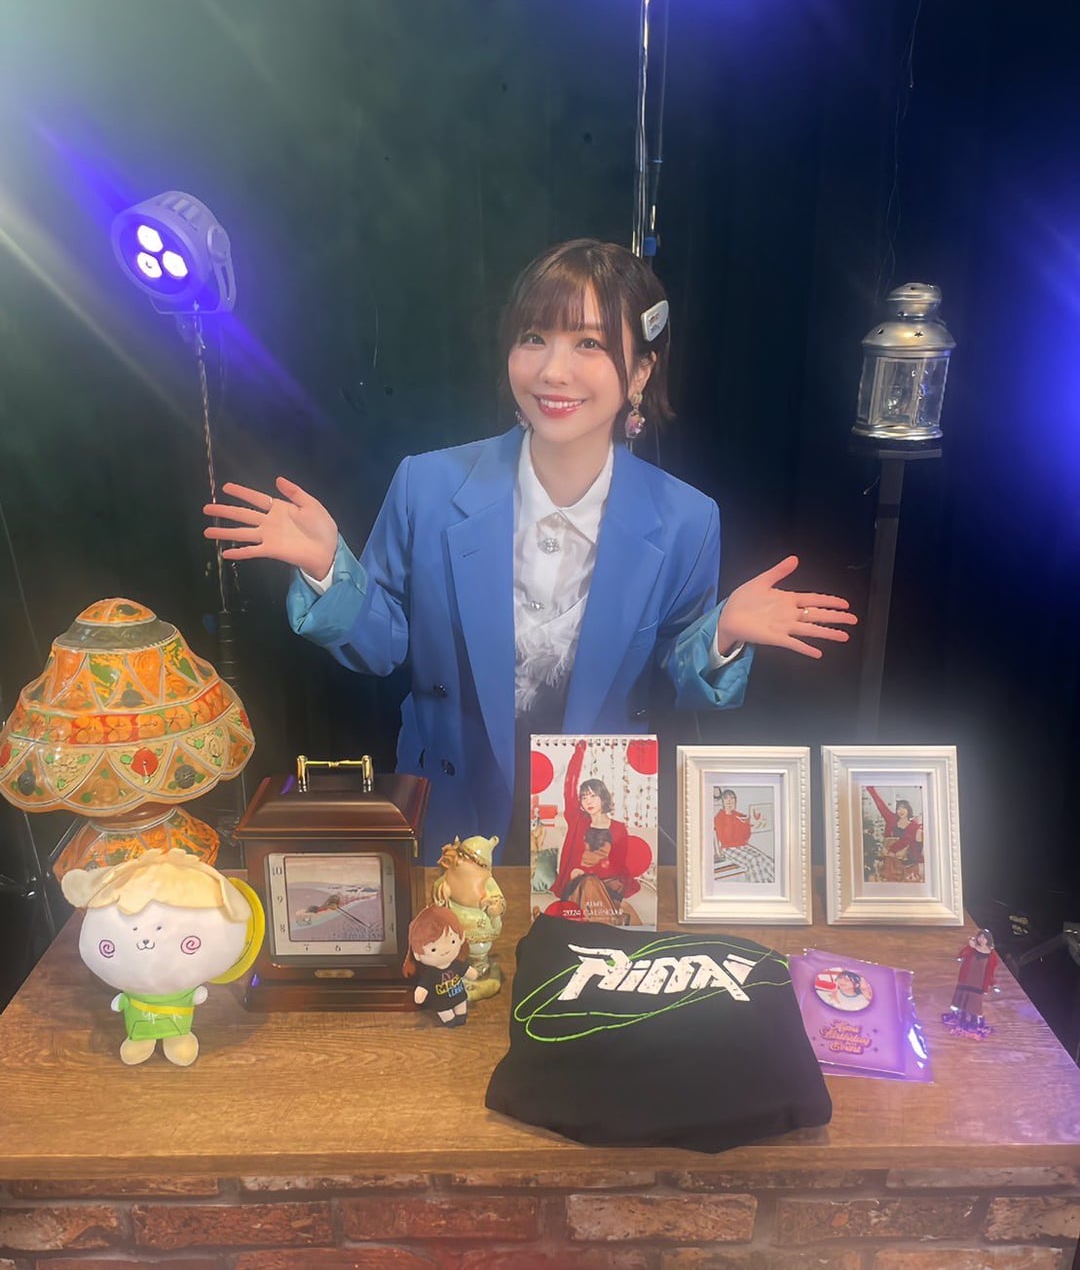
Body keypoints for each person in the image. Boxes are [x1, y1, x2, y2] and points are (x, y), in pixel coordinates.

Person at [204, 239, 857, 860]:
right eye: (534, 337)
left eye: (589, 343)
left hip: (597, 820)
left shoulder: (686, 519)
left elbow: (672, 678)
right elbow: (382, 648)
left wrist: (723, 636)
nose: (552, 370)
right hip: (450, 805)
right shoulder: (428, 487)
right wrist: (328, 570)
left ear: (640, 371)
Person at [549, 738, 639, 925]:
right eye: (584, 797)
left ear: (603, 798)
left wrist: (588, 871)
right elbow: (568, 788)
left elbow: (618, 866)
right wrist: (578, 754)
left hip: (607, 883)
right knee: (588, 883)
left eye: (593, 796)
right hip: (578, 884)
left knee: (591, 882)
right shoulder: (577, 821)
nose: (588, 801)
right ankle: (613, 922)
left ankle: (601, 924)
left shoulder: (618, 828)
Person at [712, 788, 775, 886]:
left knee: (766, 860)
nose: (729, 801)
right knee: (753, 860)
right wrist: (728, 815)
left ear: (735, 801)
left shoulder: (739, 815)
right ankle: (759, 887)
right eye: (726, 798)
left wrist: (746, 824)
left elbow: (745, 837)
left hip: (742, 845)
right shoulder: (719, 817)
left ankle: (773, 884)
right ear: (723, 802)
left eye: (732, 798)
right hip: (728, 848)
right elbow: (726, 839)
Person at [865, 786, 923, 879]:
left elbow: (905, 841)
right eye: (899, 808)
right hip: (888, 857)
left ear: (908, 810)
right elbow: (881, 806)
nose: (901, 811)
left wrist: (892, 850)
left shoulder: (914, 826)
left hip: (906, 860)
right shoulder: (891, 819)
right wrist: (871, 789)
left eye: (904, 808)